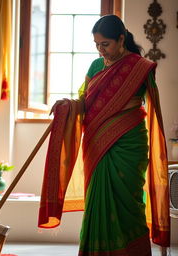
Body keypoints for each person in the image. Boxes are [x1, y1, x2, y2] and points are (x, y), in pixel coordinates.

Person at [38, 15, 170, 256]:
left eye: (105, 44)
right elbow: (83, 102)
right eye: (97, 45)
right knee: (98, 203)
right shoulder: (95, 67)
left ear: (121, 39)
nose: (101, 51)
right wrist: (66, 105)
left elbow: (153, 111)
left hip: (129, 144)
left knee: (129, 204)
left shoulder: (139, 67)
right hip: (98, 144)